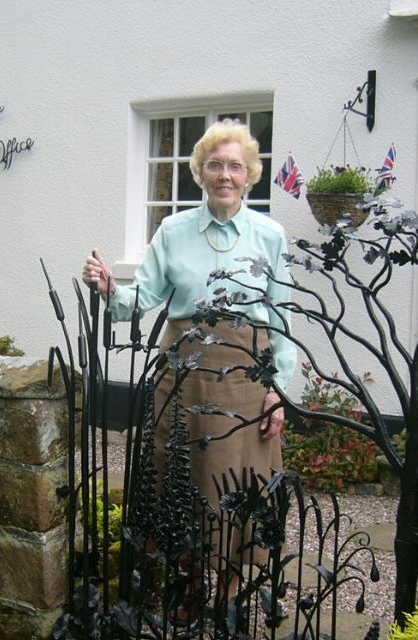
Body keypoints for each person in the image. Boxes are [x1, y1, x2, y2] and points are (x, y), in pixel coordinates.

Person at [82, 119, 296, 606]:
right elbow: (144, 297)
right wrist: (111, 289)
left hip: (245, 376)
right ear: (200, 172)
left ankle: (230, 588)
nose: (225, 175)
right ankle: (189, 581)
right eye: (215, 165)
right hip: (182, 373)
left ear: (249, 174)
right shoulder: (173, 230)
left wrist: (278, 388)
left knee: (237, 478)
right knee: (179, 475)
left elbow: (282, 316)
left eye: (235, 166)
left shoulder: (270, 235)